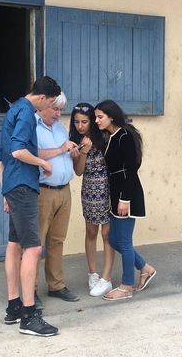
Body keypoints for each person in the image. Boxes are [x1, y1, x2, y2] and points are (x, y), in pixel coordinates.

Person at [0, 76, 60, 337]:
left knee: (14, 245)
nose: (51, 108)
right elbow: (18, 152)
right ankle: (29, 317)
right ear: (42, 97)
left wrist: (4, 192)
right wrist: (42, 164)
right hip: (23, 187)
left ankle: (14, 307)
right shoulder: (25, 112)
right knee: (33, 249)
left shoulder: (12, 110)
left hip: (13, 187)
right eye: (52, 103)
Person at [94, 100, 157, 301]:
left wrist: (125, 199)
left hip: (126, 195)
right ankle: (145, 268)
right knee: (113, 240)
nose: (97, 121)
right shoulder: (110, 136)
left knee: (123, 241)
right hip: (116, 194)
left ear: (111, 116)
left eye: (100, 117)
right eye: (96, 117)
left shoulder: (124, 135)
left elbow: (131, 168)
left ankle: (126, 286)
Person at [35, 92, 81, 303]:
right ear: (42, 106)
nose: (58, 113)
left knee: (57, 240)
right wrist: (62, 148)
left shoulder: (60, 128)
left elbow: (62, 153)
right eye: (55, 109)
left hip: (64, 190)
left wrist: (72, 154)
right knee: (36, 242)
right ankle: (30, 289)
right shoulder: (32, 126)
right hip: (43, 191)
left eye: (61, 109)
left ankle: (56, 285)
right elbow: (32, 153)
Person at [69, 103, 115, 297]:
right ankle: (93, 274)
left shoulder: (104, 136)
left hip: (108, 187)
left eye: (85, 122)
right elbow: (79, 172)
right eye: (77, 122)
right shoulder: (75, 141)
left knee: (107, 233)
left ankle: (107, 277)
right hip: (89, 188)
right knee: (90, 231)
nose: (80, 126)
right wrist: (83, 152)